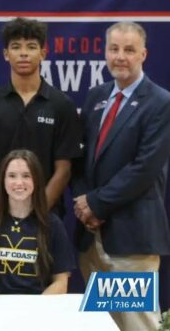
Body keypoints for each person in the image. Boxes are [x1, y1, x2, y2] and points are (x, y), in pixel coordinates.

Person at [72, 21, 170, 331]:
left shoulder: (160, 102)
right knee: (108, 325)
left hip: (131, 236)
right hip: (93, 238)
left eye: (129, 50)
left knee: (137, 324)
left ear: (144, 54)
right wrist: (84, 204)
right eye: (114, 49)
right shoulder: (96, 96)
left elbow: (144, 168)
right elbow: (83, 157)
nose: (120, 57)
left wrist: (96, 205)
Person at [0, 17, 82, 217]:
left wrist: (38, 213)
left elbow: (63, 170)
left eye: (31, 47)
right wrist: (0, 214)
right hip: (0, 218)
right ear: (6, 54)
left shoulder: (62, 105)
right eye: (16, 47)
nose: (23, 53)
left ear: (43, 53)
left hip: (48, 216)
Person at [0, 149, 75, 295]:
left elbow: (61, 281)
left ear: (36, 180)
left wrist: (34, 310)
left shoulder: (52, 223)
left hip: (37, 309)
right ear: (3, 180)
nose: (19, 183)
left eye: (26, 176)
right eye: (12, 176)